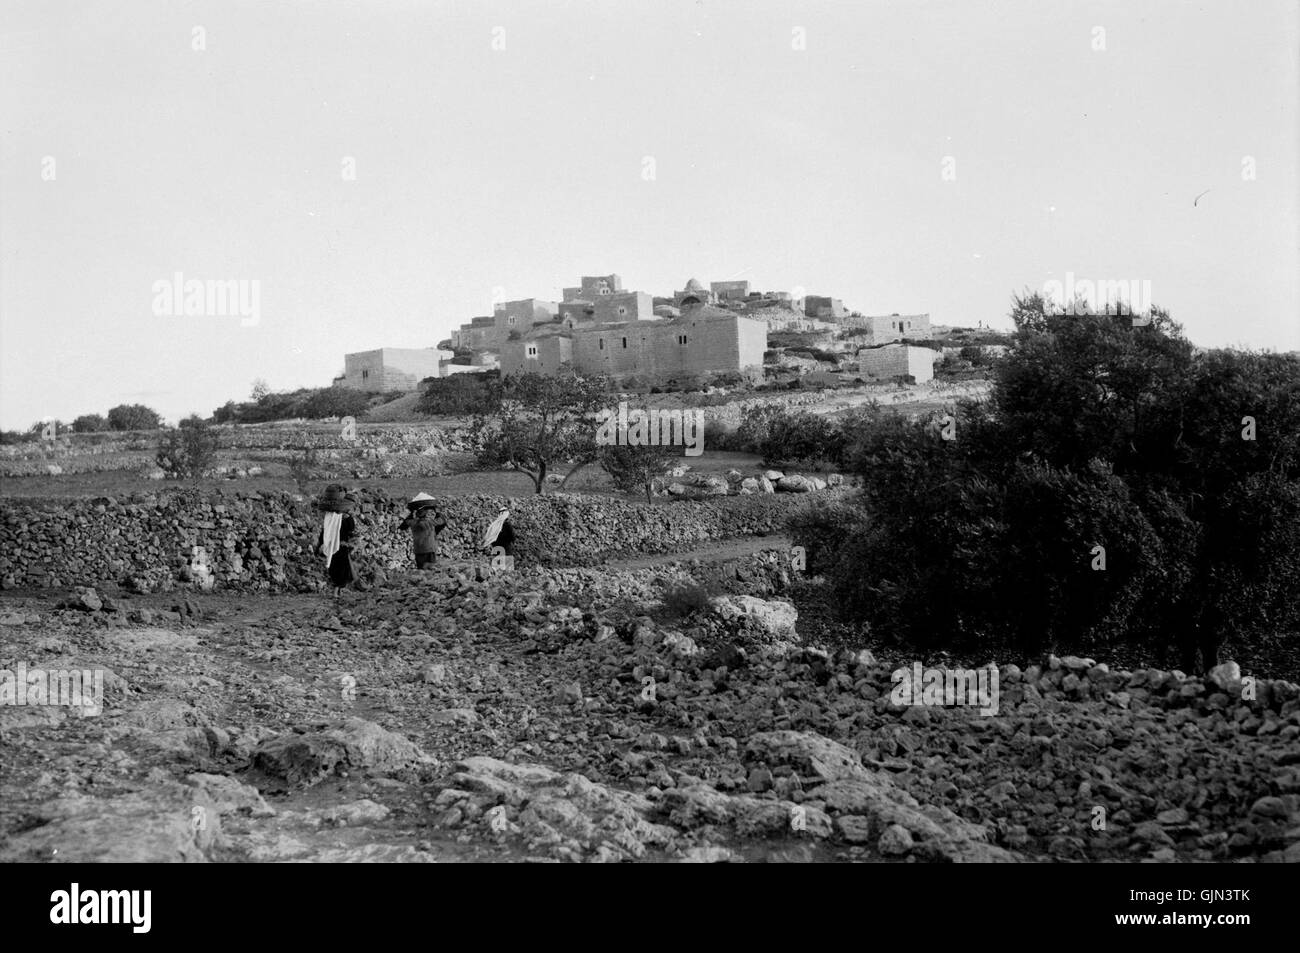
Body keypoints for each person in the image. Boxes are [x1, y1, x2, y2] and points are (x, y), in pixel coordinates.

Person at [314, 484, 357, 597]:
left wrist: (320, 544)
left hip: (331, 544)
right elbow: (351, 529)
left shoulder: (329, 517)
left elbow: (325, 532)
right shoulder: (346, 519)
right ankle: (337, 591)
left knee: (335, 568)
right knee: (342, 569)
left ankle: (336, 590)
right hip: (341, 546)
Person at [400, 492, 447, 570]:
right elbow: (442, 520)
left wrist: (412, 513)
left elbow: (404, 524)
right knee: (430, 570)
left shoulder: (413, 522)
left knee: (421, 569)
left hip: (418, 550)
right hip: (429, 550)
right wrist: (437, 512)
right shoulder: (430, 522)